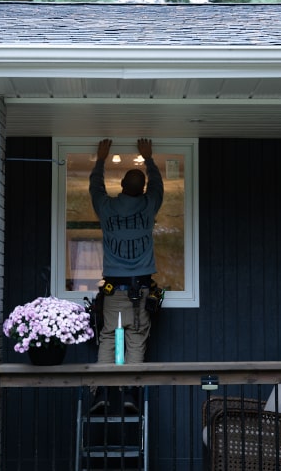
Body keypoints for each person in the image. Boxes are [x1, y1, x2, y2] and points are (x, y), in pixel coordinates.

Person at [89, 138, 163, 412]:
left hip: (114, 291)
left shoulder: (106, 208)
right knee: (136, 339)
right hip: (140, 290)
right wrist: (149, 158)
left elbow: (95, 187)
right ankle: (130, 393)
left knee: (109, 336)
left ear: (121, 186)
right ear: (142, 189)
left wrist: (101, 159)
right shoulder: (148, 207)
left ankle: (102, 393)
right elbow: (158, 187)